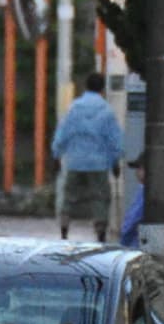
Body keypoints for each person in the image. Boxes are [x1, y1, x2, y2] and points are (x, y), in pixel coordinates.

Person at [50, 71, 125, 242]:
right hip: (99, 163)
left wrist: (56, 155)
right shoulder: (106, 111)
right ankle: (100, 232)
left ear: (86, 86)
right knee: (100, 198)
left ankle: (64, 229)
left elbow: (63, 133)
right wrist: (115, 160)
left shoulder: (74, 108)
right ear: (102, 89)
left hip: (75, 161)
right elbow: (114, 139)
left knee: (69, 196)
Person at [119, 158, 146, 249]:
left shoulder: (145, 193)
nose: (136, 173)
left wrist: (122, 244)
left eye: (139, 168)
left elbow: (132, 221)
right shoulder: (142, 190)